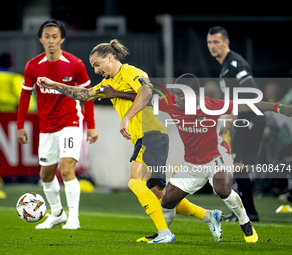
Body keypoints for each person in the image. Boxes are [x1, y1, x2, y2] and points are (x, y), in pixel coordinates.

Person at [36, 39, 225, 244]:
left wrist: (126, 117)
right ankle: (209, 216)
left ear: (110, 57)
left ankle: (165, 233)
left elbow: (147, 92)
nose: (96, 70)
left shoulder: (132, 72)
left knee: (135, 182)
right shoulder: (108, 83)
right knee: (159, 194)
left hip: (152, 134)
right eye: (93, 67)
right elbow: (84, 94)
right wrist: (55, 85)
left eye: (97, 64)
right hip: (146, 138)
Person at [159, 73, 291, 243]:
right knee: (167, 201)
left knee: (222, 189)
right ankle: (166, 234)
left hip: (216, 158)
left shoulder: (210, 105)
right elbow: (143, 97)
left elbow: (249, 105)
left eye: (180, 94)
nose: (176, 98)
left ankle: (245, 222)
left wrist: (279, 108)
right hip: (191, 164)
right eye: (175, 93)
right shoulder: (171, 103)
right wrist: (116, 93)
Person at [16, 19, 98, 230]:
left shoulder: (75, 64)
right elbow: (25, 96)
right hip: (46, 127)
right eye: (47, 36)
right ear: (41, 39)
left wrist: (91, 125)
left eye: (55, 36)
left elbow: (87, 95)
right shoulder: (33, 66)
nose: (51, 41)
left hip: (70, 121)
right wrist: (20, 125)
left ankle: (74, 218)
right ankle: (57, 214)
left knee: (67, 169)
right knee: (45, 174)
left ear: (62, 38)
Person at [207, 26, 266, 222]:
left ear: (226, 42)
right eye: (209, 42)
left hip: (251, 120)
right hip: (245, 121)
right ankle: (248, 212)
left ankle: (249, 213)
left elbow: (252, 93)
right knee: (238, 167)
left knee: (238, 165)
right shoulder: (226, 67)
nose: (212, 46)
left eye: (216, 42)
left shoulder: (235, 64)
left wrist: (234, 113)